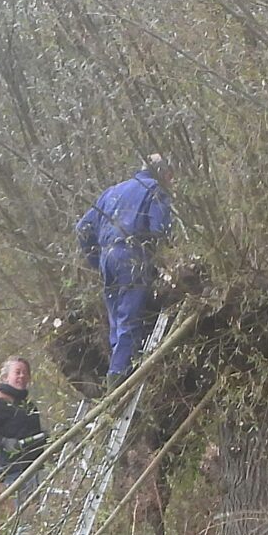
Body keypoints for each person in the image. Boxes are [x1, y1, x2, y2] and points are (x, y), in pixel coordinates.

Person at [76, 155, 174, 381]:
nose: (171, 181)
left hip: (107, 258)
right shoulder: (155, 190)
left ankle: (118, 366)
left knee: (117, 320)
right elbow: (161, 232)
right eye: (169, 176)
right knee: (130, 316)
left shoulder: (112, 192)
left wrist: (96, 260)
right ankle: (118, 375)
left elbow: (83, 228)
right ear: (162, 172)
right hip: (132, 256)